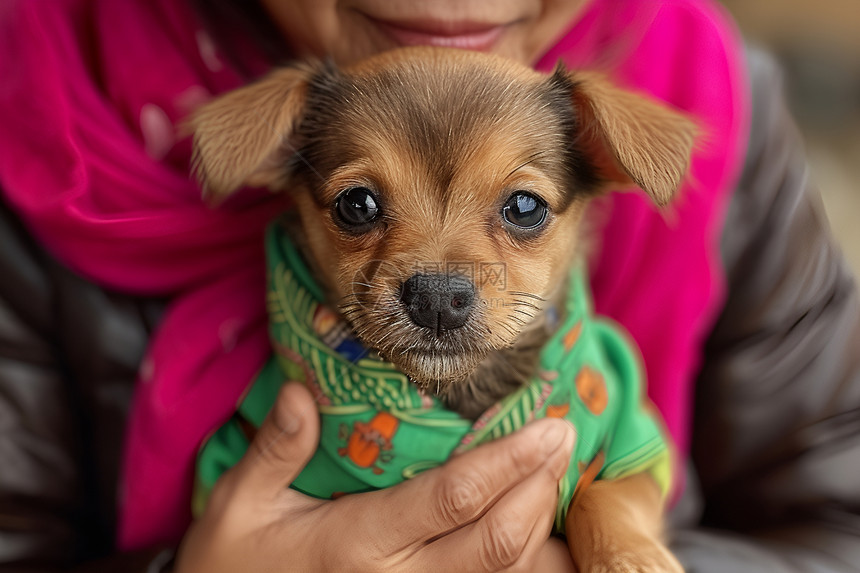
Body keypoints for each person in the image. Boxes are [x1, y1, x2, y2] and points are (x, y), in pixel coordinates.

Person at [0, 0, 858, 571]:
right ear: (283, 171)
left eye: (521, 208)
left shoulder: (717, 114)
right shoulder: (33, 113)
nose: (441, 283)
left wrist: (597, 542)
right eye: (363, 205)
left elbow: (835, 524)